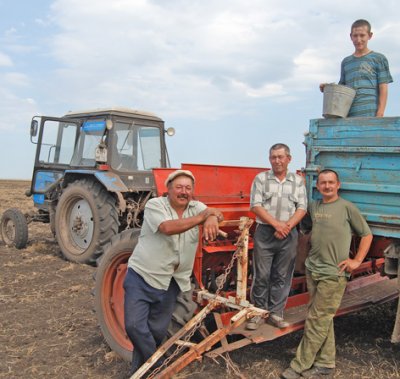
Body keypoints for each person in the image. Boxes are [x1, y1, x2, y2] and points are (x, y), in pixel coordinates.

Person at [123, 169, 223, 375]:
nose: (183, 191)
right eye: (179, 187)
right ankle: (159, 368)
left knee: (158, 331)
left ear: (193, 191)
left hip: (171, 281)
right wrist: (202, 217)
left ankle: (140, 371)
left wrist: (212, 217)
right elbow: (167, 228)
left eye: (188, 188)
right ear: (168, 190)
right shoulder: (155, 205)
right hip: (143, 275)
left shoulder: (196, 207)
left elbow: (215, 212)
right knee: (134, 326)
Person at [281, 169, 373, 379]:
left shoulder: (347, 208)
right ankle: (325, 364)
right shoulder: (315, 207)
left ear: (338, 185)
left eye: (331, 182)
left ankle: (299, 365)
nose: (327, 186)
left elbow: (366, 234)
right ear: (318, 186)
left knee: (317, 318)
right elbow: (305, 227)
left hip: (334, 273)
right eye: (323, 183)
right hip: (314, 270)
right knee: (323, 319)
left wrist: (356, 261)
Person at [247, 143, 307, 330]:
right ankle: (258, 312)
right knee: (262, 274)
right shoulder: (261, 179)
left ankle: (276, 313)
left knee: (282, 275)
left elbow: (302, 208)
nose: (277, 161)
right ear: (269, 159)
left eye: (281, 157)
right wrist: (277, 224)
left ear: (289, 159)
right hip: (265, 232)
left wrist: (287, 226)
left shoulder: (297, 181)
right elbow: (255, 205)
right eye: (273, 157)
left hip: (288, 233)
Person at [320, 19, 393, 117]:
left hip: (371, 115)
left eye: (362, 35)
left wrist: (380, 113)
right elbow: (342, 90)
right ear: (351, 37)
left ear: (370, 36)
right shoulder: (346, 62)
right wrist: (327, 88)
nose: (358, 40)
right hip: (349, 116)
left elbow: (383, 87)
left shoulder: (379, 59)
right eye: (355, 36)